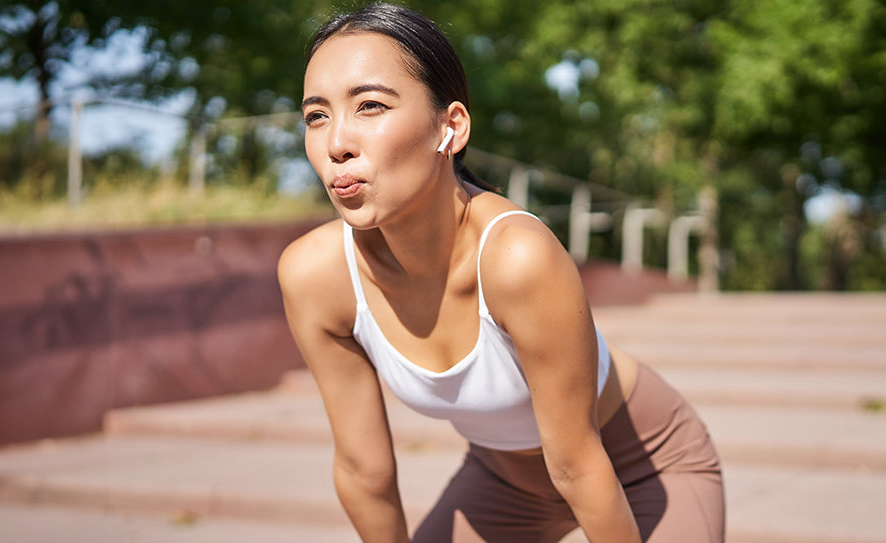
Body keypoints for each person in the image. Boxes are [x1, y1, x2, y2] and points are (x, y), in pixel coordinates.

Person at [278, 4, 723, 542]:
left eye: (370, 106)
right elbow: (362, 470)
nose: (335, 144)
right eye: (316, 116)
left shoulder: (516, 256)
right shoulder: (316, 277)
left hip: (641, 463)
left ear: (452, 126)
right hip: (502, 482)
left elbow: (578, 467)